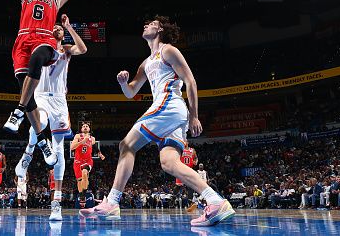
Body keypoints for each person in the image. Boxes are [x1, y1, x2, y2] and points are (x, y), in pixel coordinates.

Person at [80, 16, 235, 227]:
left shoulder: (168, 50)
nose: (145, 25)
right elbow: (131, 92)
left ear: (160, 29)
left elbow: (190, 80)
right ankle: (216, 201)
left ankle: (113, 203)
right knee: (169, 163)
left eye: (151, 23)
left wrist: (194, 115)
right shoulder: (146, 62)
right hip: (171, 113)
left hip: (169, 106)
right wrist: (123, 83)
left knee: (126, 145)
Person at [2, 0, 72, 167]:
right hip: (22, 39)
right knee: (29, 95)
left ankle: (17, 112)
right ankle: (43, 142)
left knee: (39, 57)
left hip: (44, 39)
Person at [14, 13, 88, 220]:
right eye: (54, 27)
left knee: (58, 150)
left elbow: (83, 49)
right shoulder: (40, 48)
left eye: (60, 28)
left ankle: (56, 202)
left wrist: (69, 26)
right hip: (40, 96)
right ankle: (27, 155)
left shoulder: (65, 50)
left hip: (59, 101)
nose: (57, 28)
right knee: (39, 124)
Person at [70, 122, 105, 208]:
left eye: (87, 126)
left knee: (85, 173)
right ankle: (81, 196)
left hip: (88, 160)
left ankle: (83, 194)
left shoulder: (92, 138)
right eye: (84, 126)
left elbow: (95, 147)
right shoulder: (77, 136)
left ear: (89, 129)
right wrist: (82, 141)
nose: (85, 127)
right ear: (81, 129)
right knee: (79, 181)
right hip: (78, 161)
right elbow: (72, 147)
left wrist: (100, 154)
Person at [174, 146, 198, 212]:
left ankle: (190, 203)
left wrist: (196, 161)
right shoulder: (180, 148)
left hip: (189, 169)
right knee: (178, 186)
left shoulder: (192, 150)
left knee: (190, 187)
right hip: (181, 169)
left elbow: (196, 158)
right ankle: (173, 197)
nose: (185, 141)